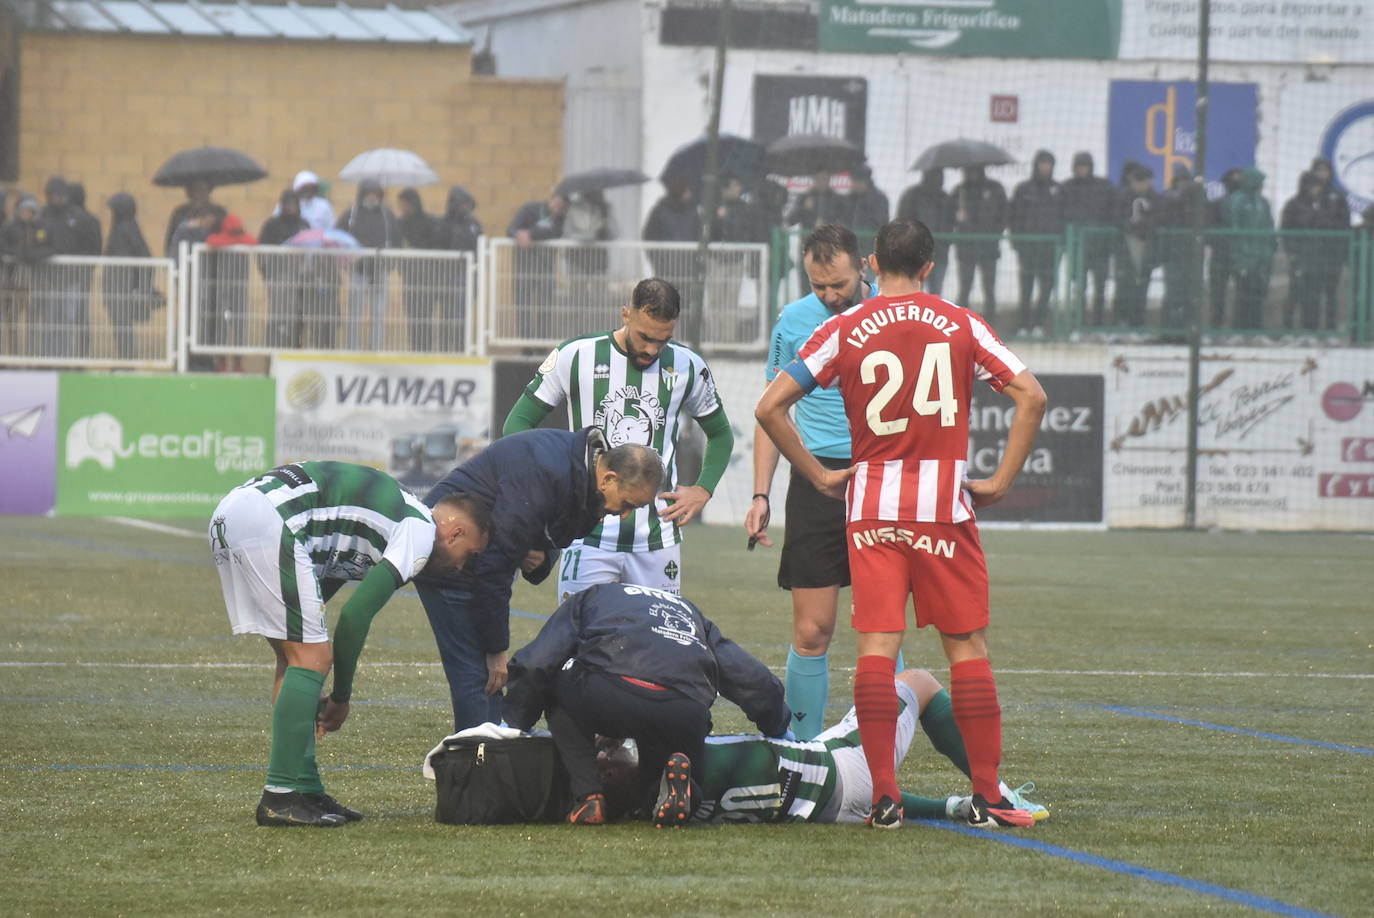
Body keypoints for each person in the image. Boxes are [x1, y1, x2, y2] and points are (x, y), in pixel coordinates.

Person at [755, 218, 1047, 829]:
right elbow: (1032, 396)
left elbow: (769, 406)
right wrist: (999, 482)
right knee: (966, 649)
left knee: (875, 649)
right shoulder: (961, 322)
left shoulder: (841, 328)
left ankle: (884, 797)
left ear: (871, 263)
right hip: (943, 510)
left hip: (871, 509)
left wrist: (815, 474)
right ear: (928, 267)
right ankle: (989, 795)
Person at [208, 461, 490, 827]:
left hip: (236, 513)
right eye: (470, 555)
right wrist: (341, 697)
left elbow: (318, 612)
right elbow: (355, 617)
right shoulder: (419, 531)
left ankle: (304, 788)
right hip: (269, 519)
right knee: (311, 659)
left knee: (298, 658)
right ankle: (278, 797)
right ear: (454, 532)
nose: (461, 568)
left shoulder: (386, 523)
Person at [416, 428, 663, 731]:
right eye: (627, 504)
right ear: (609, 478)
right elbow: (495, 565)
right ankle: (477, 765)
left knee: (487, 676)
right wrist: (496, 649)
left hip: (484, 556)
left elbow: (548, 533)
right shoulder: (547, 470)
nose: (625, 515)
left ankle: (491, 751)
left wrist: (540, 555)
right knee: (479, 674)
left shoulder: (583, 475)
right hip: (448, 551)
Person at [503, 277, 734, 599]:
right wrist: (554, 484)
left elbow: (721, 434)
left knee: (658, 644)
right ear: (626, 314)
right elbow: (517, 424)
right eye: (646, 337)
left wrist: (703, 489)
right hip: (585, 535)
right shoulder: (576, 355)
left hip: (657, 538)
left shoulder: (688, 365)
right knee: (580, 641)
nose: (653, 349)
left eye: (663, 340)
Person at [598, 668, 1047, 825]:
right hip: (835, 765)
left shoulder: (660, 790)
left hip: (830, 804)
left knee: (857, 793)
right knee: (921, 683)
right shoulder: (678, 758)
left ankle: (956, 807)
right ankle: (999, 796)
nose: (604, 754)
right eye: (607, 759)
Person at [505, 582, 791, 826]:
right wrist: (778, 727)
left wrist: (514, 725)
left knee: (556, 677)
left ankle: (588, 797)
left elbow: (536, 664)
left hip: (610, 695)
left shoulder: (592, 597)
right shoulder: (689, 611)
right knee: (668, 758)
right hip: (685, 711)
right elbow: (750, 678)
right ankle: (678, 791)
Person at [745, 224, 873, 741]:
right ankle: (802, 749)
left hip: (877, 480)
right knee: (812, 629)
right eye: (818, 286)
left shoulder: (890, 314)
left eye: (837, 284)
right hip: (816, 482)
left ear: (863, 265)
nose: (828, 295)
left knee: (879, 627)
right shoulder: (794, 321)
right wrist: (760, 494)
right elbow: (771, 411)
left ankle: (877, 743)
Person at [1059, 152, 1118, 326]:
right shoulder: (1067, 188)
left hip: (1100, 247)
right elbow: (1061, 216)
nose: (1082, 170)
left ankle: (1098, 323)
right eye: (1079, 166)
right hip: (1078, 247)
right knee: (1079, 287)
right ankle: (1078, 323)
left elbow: (1112, 213)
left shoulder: (1104, 187)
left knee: (1100, 287)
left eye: (1085, 166)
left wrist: (1108, 240)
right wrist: (1067, 241)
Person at [338, 179, 397, 350]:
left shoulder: (387, 215)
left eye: (376, 194)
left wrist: (390, 264)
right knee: (354, 313)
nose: (372, 197)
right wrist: (346, 261)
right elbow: (338, 236)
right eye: (369, 193)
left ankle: (375, 349)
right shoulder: (352, 214)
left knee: (378, 314)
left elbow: (396, 239)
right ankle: (352, 349)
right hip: (358, 271)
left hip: (380, 271)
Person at [1008, 151, 1063, 336]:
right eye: (1042, 163)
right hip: (1028, 249)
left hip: (1050, 249)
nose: (1045, 167)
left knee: (1046, 288)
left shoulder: (1058, 190)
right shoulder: (1023, 189)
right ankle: (1024, 325)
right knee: (1026, 287)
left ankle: (1039, 324)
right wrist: (1017, 242)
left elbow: (1064, 218)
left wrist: (1061, 244)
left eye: (1049, 163)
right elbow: (1013, 217)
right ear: (1036, 165)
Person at [102, 192, 156, 360]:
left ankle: (126, 360)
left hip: (123, 285)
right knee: (120, 325)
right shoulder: (121, 227)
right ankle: (124, 359)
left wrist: (141, 287)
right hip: (116, 284)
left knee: (123, 325)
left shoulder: (127, 229)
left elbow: (144, 256)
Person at [507, 189, 568, 338]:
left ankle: (541, 344)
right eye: (556, 204)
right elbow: (511, 229)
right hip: (523, 267)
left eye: (561, 207)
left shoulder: (562, 219)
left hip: (546, 268)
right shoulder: (530, 209)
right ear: (551, 199)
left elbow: (556, 233)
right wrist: (518, 234)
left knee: (545, 308)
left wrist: (531, 235)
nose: (557, 209)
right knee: (523, 307)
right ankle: (525, 344)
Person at [951, 165, 1008, 323]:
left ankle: (990, 322)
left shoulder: (995, 189)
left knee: (989, 287)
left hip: (988, 247)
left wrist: (994, 233)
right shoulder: (959, 191)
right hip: (966, 248)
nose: (971, 173)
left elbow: (1004, 214)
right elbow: (948, 215)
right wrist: (958, 219)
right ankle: (960, 323)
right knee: (965, 287)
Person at [1221, 167, 1275, 331]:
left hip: (1261, 258)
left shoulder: (1263, 203)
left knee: (1258, 296)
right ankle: (1240, 328)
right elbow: (1234, 230)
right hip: (1245, 257)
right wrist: (1240, 257)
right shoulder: (1237, 200)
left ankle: (1256, 328)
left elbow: (1269, 227)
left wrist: (1268, 251)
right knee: (1243, 295)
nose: (1261, 186)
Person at [0, 195, 55, 356]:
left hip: (35, 281)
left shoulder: (43, 228)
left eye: (30, 211)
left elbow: (52, 247)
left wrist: (35, 255)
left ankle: (33, 356)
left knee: (33, 320)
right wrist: (17, 253)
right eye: (24, 210)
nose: (27, 214)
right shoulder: (10, 227)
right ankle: (11, 356)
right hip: (12, 280)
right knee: (12, 320)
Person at [258, 189, 310, 349]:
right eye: (288, 204)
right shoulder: (272, 225)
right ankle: (273, 350)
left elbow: (311, 248)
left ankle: (295, 347)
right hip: (279, 277)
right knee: (279, 316)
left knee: (299, 315)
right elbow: (262, 252)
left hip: (301, 277)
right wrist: (268, 275)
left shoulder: (303, 225)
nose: (291, 208)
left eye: (294, 204)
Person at [435, 185, 482, 352]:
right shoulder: (443, 224)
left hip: (468, 276)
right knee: (447, 316)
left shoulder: (474, 225)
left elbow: (479, 249)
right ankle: (445, 349)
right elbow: (439, 246)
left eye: (468, 205)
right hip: (447, 276)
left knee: (462, 317)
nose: (466, 208)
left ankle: (461, 349)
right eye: (463, 204)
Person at [642, 180, 700, 312]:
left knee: (684, 306)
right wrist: (657, 261)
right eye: (686, 191)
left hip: (687, 269)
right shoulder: (660, 211)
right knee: (664, 305)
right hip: (666, 270)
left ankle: (680, 331)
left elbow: (698, 235)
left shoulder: (692, 212)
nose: (689, 194)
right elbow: (649, 237)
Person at [204, 214, 257, 358]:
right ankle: (220, 359)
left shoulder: (241, 241)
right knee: (221, 324)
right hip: (223, 287)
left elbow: (253, 241)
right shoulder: (223, 240)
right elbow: (211, 241)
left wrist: (233, 239)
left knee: (240, 324)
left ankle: (238, 360)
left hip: (240, 288)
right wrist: (235, 240)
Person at [1308, 156, 1352, 330]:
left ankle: (1330, 329)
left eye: (1326, 171)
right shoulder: (1307, 195)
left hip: (1332, 254)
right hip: (1313, 255)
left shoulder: (1337, 196)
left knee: (1331, 293)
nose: (1322, 174)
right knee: (1312, 293)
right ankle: (1311, 329)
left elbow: (1344, 224)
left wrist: (1342, 252)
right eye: (1319, 171)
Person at [896, 169, 954, 298]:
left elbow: (950, 224)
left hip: (937, 254)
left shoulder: (945, 199)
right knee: (915, 291)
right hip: (915, 254)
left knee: (932, 292)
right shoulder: (912, 196)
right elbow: (902, 222)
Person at [1280, 171, 1326, 332]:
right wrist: (1291, 253)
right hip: (1299, 257)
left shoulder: (1320, 204)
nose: (1317, 190)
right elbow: (1285, 230)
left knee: (1313, 296)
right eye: (1314, 187)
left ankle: (1310, 329)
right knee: (1295, 293)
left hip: (1316, 258)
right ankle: (1287, 329)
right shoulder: (1293, 205)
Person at [1114, 162, 1157, 328]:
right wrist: (1129, 226)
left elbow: (1159, 219)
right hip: (1126, 247)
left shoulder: (1155, 198)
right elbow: (1116, 218)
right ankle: (1121, 321)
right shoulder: (1123, 197)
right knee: (1125, 284)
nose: (1141, 185)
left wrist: (1144, 227)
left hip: (1146, 247)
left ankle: (1138, 322)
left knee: (1142, 285)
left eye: (1144, 181)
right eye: (1137, 181)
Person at [397, 187, 440, 351]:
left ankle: (425, 350)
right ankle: (415, 349)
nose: (401, 207)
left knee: (425, 317)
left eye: (402, 204)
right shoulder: (400, 223)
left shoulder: (430, 222)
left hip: (428, 277)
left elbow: (435, 245)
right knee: (413, 317)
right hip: (410, 276)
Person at [1208, 168, 1244, 329]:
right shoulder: (1217, 205)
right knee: (1218, 294)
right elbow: (1209, 229)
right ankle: (1217, 325)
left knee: (1240, 293)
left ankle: (1237, 327)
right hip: (1221, 253)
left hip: (1238, 253)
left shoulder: (1245, 205)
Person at [163, 180, 227, 256]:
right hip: (185, 260)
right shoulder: (180, 213)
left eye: (202, 190)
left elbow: (227, 236)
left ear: (209, 191)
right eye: (194, 190)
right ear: (189, 193)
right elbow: (171, 241)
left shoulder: (219, 212)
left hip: (213, 260)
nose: (197, 194)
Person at [846, 165, 890, 233]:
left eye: (856, 181)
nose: (853, 184)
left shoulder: (879, 199)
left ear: (865, 182)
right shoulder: (849, 198)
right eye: (852, 181)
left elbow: (880, 223)